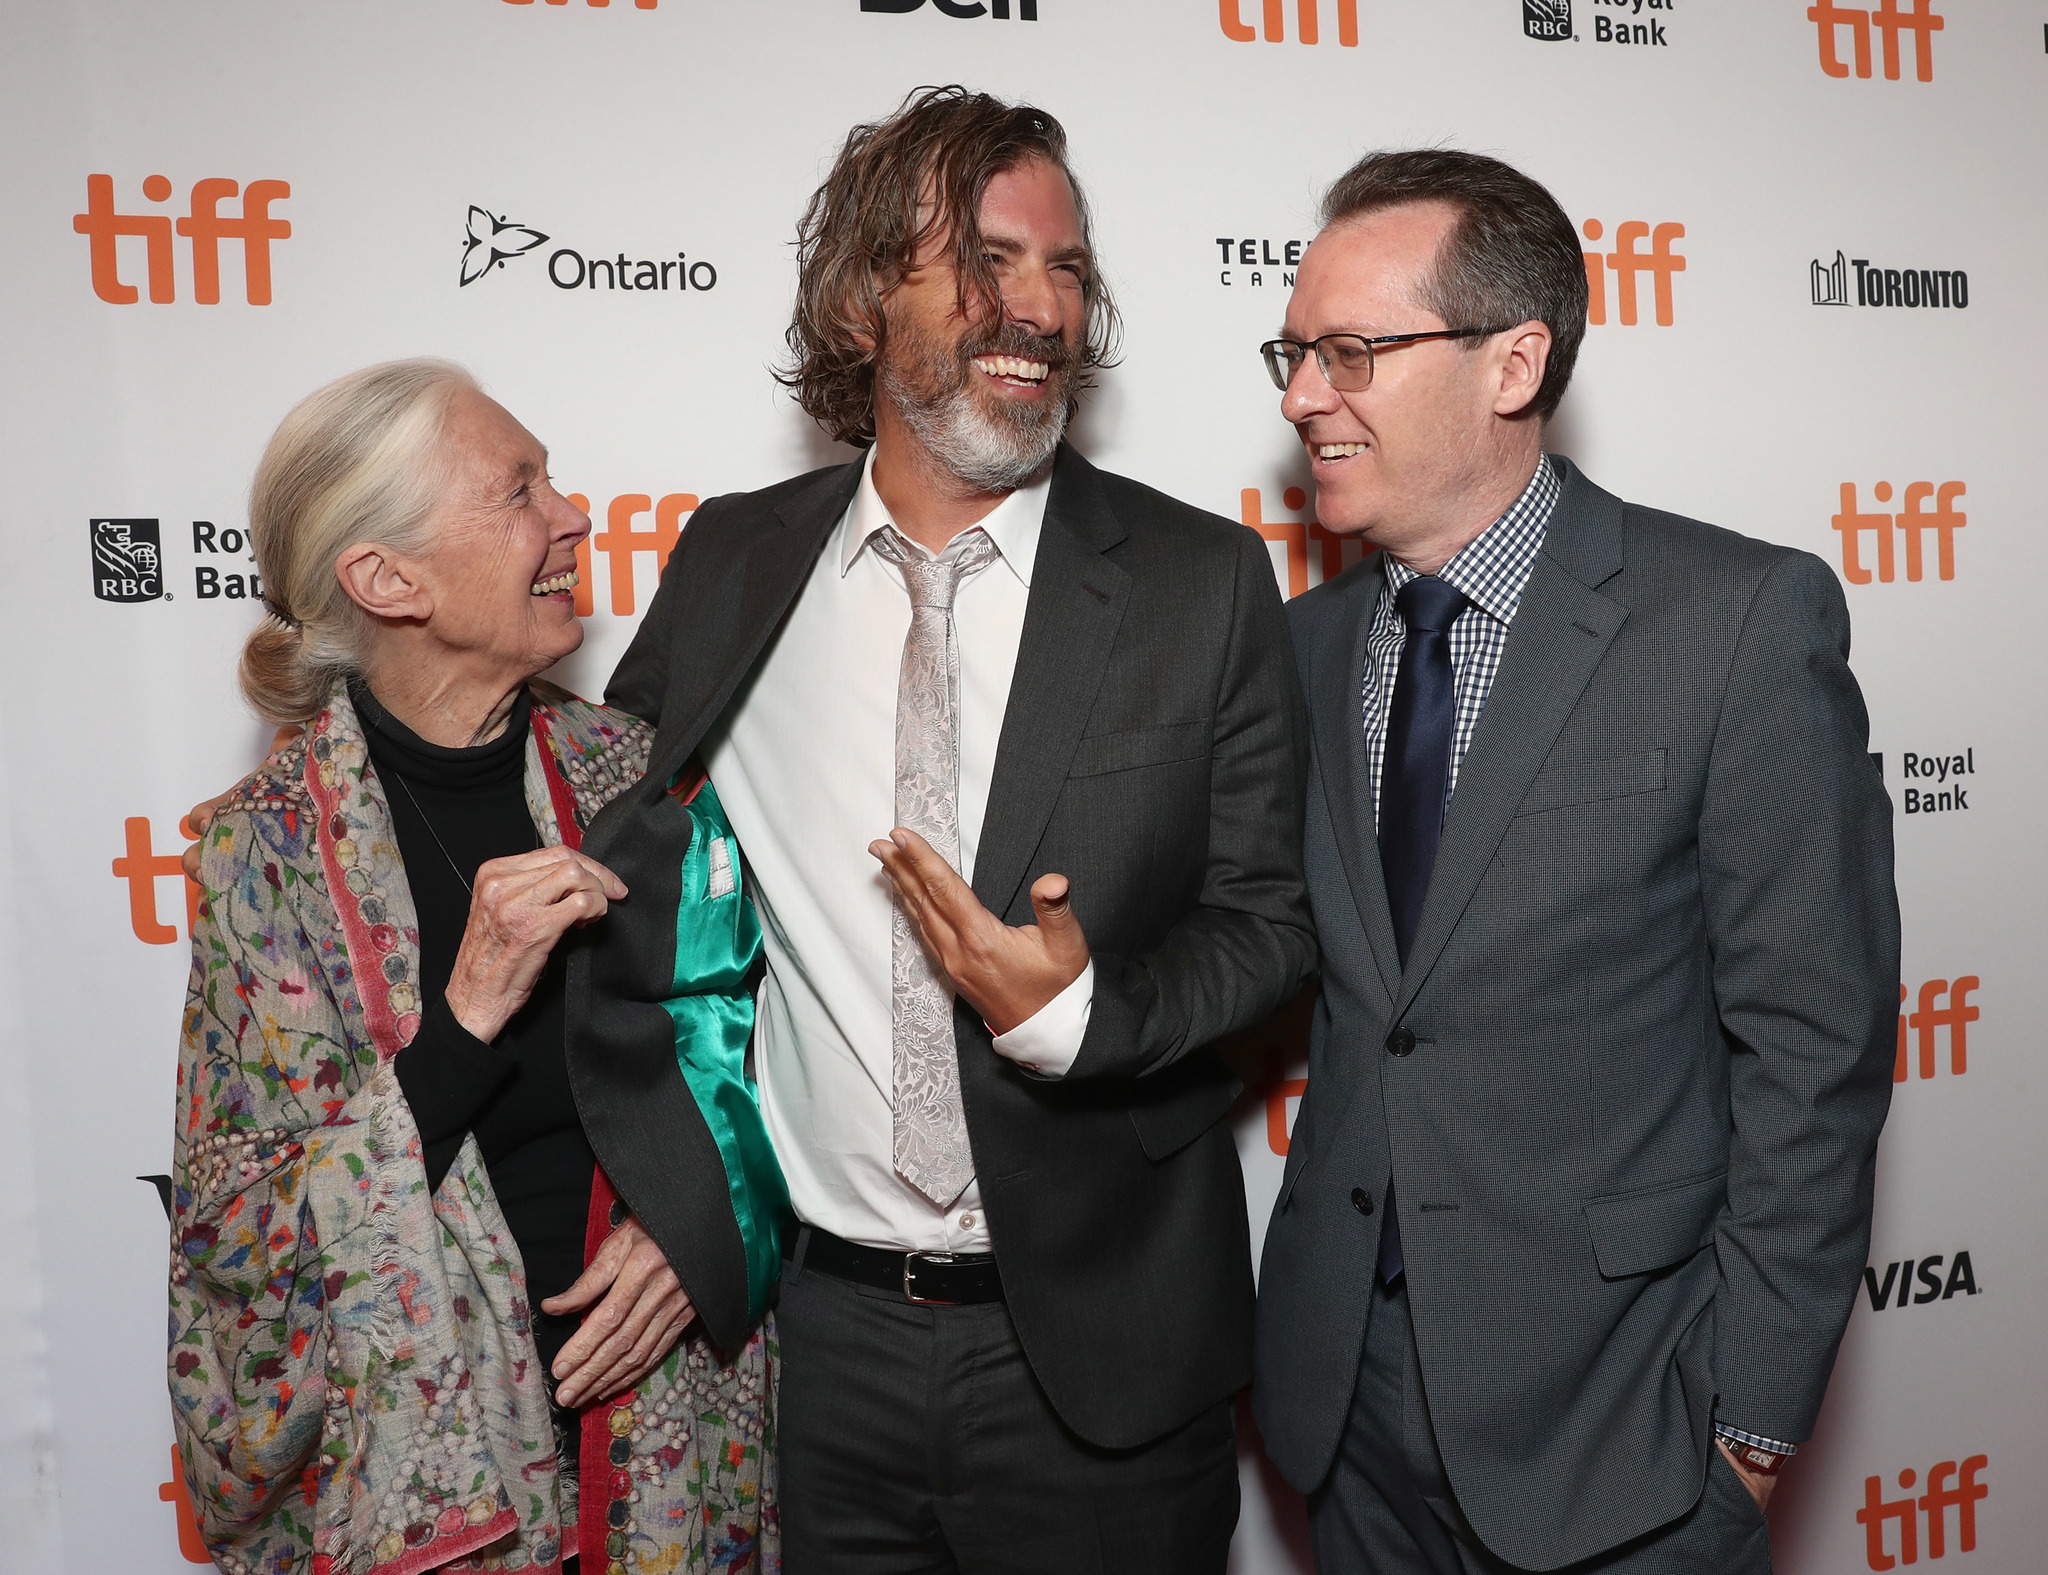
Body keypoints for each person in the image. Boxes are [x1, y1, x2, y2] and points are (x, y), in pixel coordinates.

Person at [582, 86, 1314, 1572]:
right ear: (866, 299)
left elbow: (1273, 926)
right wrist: (672, 1187)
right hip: (814, 1344)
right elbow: (632, 885)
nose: (1037, 308)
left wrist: (1082, 1011)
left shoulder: (1197, 577)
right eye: (987, 262)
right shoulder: (734, 560)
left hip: (1103, 1363)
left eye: (1067, 269)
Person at [1251, 150, 1900, 1574]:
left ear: (1513, 361)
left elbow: (1815, 1049)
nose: (1303, 395)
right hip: (1343, 1423)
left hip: (1627, 1436)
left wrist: (1751, 1432)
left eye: (1350, 352)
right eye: (1294, 353)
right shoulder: (1300, 653)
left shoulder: (1734, 622)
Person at [169, 360, 784, 1575]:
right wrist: (465, 1011)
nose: (572, 515)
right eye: (517, 491)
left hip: (662, 1450)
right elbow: (240, 1247)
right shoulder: (265, 856)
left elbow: (772, 1066)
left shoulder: (641, 783)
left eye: (551, 478)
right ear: (386, 578)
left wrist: (699, 1227)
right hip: (443, 1487)